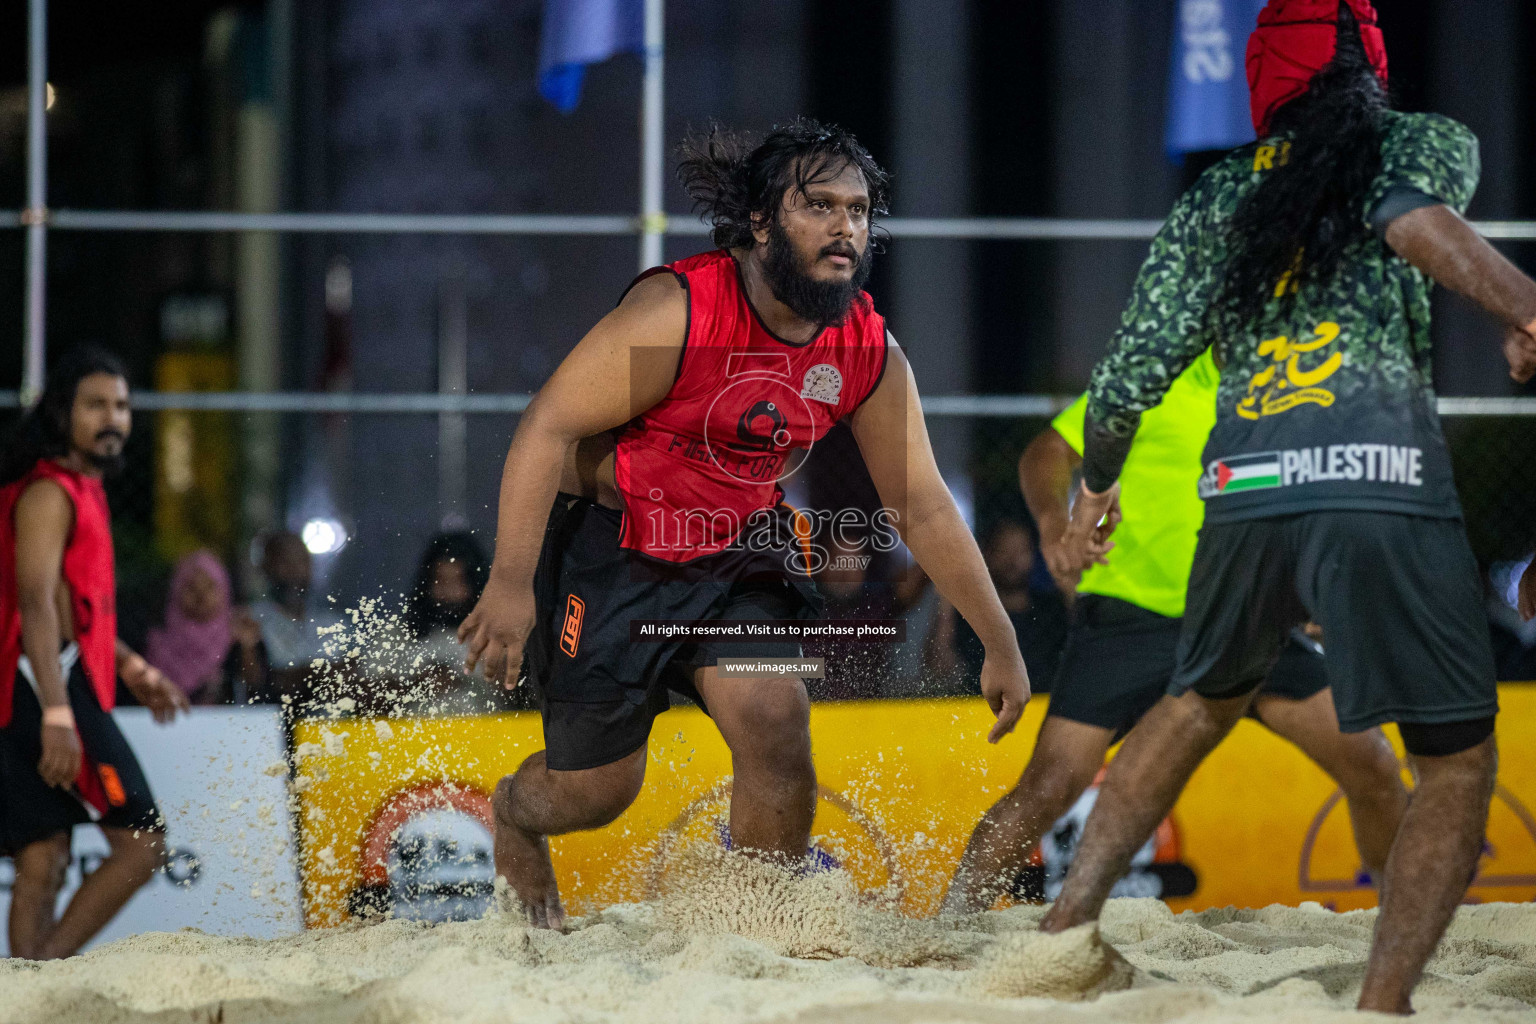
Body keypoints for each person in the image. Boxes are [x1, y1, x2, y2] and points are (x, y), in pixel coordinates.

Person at [1041, 2, 1536, 1013]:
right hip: (1383, 481)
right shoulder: (1426, 141)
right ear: (1375, 67)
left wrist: (1094, 487)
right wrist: (1522, 302)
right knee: (1453, 761)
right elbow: (1406, 211)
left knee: (1195, 702)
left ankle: (1058, 932)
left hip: (1246, 490)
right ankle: (1384, 1000)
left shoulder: (1219, 192)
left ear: (1264, 80)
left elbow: (1132, 373)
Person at [458, 119, 1031, 929]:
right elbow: (545, 427)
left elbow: (925, 505)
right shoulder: (678, 312)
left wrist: (999, 641)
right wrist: (511, 583)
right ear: (761, 221)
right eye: (821, 205)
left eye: (861, 211)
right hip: (614, 555)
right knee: (594, 793)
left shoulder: (866, 348)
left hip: (737, 556)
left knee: (774, 716)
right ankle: (516, 814)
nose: (847, 227)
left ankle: (753, 923)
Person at [943, 351, 1408, 913]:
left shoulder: (1296, 392)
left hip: (1250, 617)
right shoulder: (1155, 380)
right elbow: (1047, 452)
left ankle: (1403, 921)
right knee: (1050, 787)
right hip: (1134, 620)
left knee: (1373, 763)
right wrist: (1055, 523)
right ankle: (953, 921)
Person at [0, 346, 189, 959]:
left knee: (44, 853)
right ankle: (48, 980)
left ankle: (26, 997)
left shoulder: (82, 487)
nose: (114, 418)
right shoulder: (49, 494)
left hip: (47, 678)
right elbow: (35, 604)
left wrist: (132, 665)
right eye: (96, 406)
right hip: (35, 684)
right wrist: (57, 713)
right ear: (62, 414)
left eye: (123, 405)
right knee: (141, 844)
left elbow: (75, 604)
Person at [398, 531, 504, 715]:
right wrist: (417, 683)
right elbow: (367, 687)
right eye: (440, 582)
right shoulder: (402, 634)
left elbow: (514, 694)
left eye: (458, 582)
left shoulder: (495, 635)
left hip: (485, 736)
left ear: (476, 585)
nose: (448, 593)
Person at [244, 531, 342, 704]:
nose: (294, 570)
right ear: (264, 567)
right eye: (284, 561)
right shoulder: (250, 620)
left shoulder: (333, 621)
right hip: (271, 723)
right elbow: (258, 685)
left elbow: (352, 674)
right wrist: (317, 674)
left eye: (301, 561)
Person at [145, 550, 237, 705]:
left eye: (210, 587)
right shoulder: (153, 643)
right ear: (176, 591)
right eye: (191, 587)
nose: (201, 596)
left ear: (225, 590)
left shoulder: (237, 639)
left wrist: (249, 649)